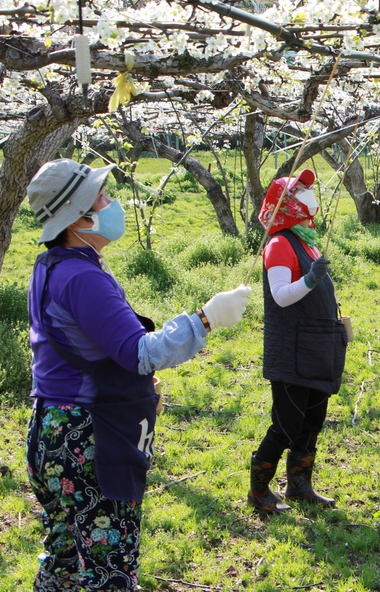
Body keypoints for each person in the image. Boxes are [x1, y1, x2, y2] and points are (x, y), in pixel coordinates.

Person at [25, 159, 251, 590]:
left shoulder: (49, 266)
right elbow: (138, 353)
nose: (112, 204)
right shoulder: (82, 277)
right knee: (108, 562)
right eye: (102, 199)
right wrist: (206, 319)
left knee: (66, 557)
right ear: (78, 218)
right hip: (89, 436)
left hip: (50, 430)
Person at [249, 168, 348, 513]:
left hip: (316, 346)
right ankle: (259, 490)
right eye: (301, 191)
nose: (309, 194)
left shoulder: (306, 239)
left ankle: (300, 486)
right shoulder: (278, 244)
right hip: (292, 351)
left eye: (308, 189)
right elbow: (281, 296)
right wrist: (310, 280)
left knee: (312, 420)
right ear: (286, 204)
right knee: (287, 424)